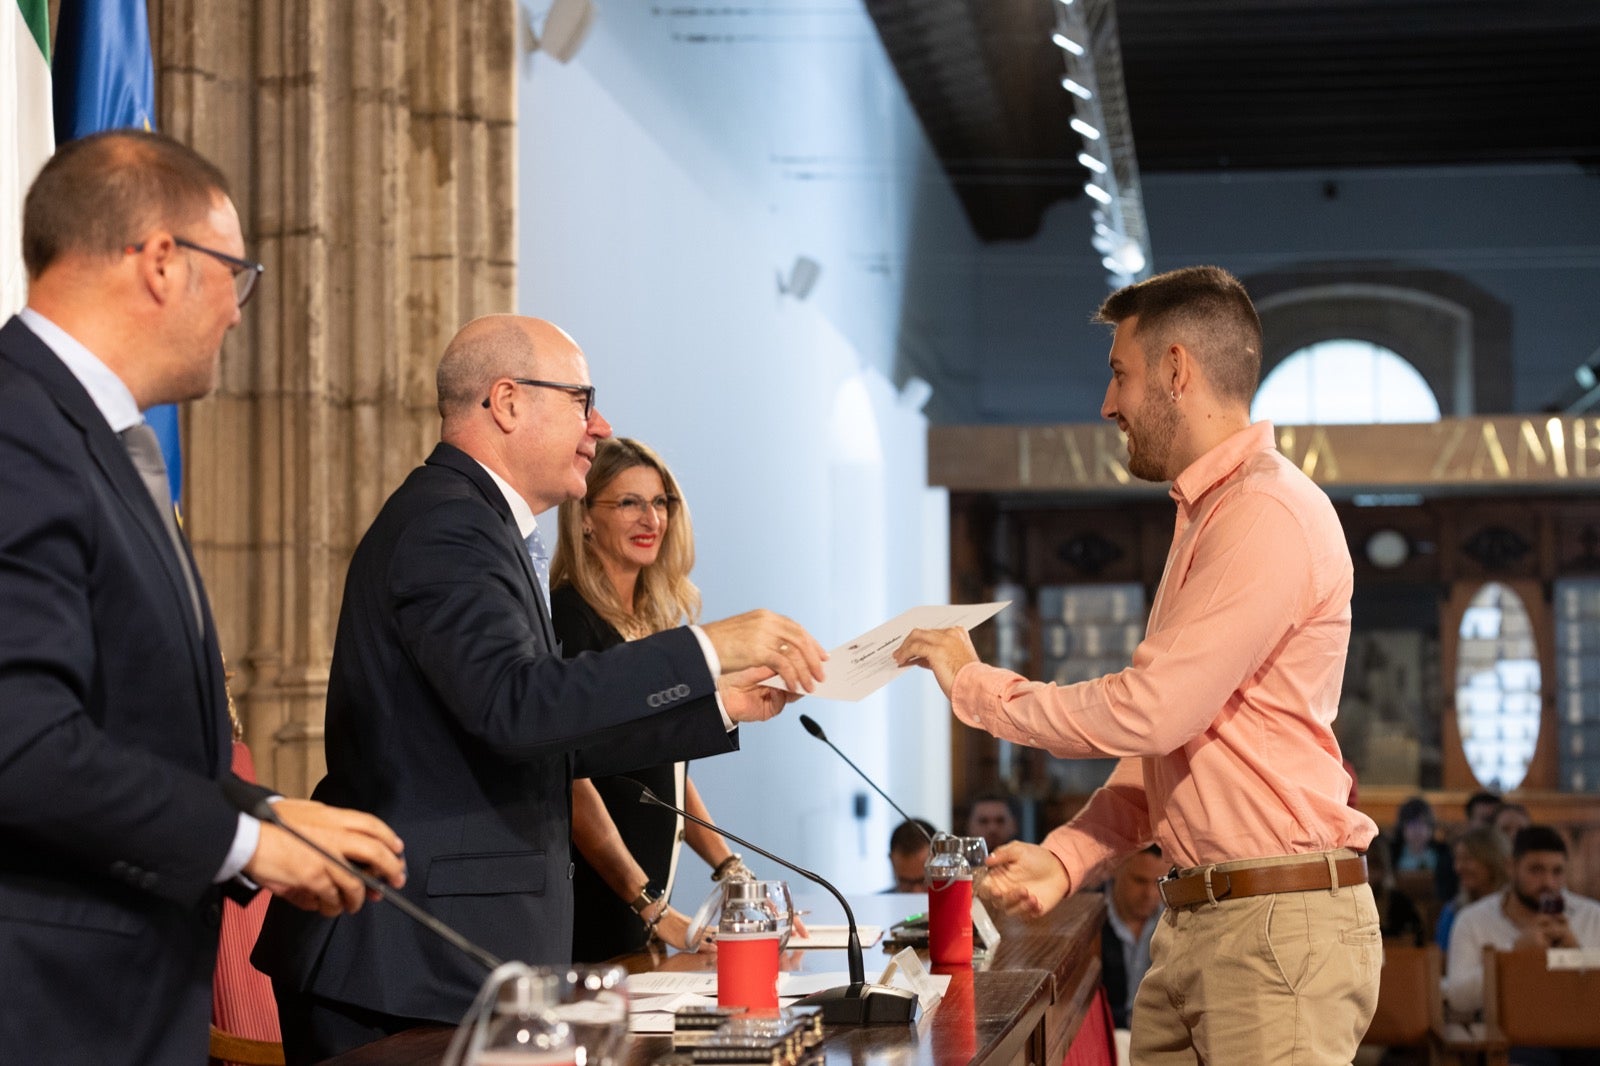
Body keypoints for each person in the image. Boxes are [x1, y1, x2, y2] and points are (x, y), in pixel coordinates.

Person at [253, 314, 826, 1063]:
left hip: (447, 959)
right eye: (582, 400)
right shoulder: (449, 526)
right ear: (508, 402)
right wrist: (704, 646)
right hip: (408, 964)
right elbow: (516, 707)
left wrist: (715, 699)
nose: (600, 426)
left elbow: (553, 732)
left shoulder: (481, 524)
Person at [894, 265, 1381, 1063]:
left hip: (1270, 929)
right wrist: (1068, 856)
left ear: (1177, 370)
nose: (1108, 402)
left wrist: (973, 684)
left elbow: (1151, 710)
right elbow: (1173, 745)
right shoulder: (1211, 514)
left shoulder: (1264, 511)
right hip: (1202, 916)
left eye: (1119, 373)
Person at [0, 129, 406, 1065]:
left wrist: (263, 812)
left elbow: (117, 728)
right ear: (160, 262)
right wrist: (239, 842)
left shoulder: (97, 440)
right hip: (47, 1009)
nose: (236, 312)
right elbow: (20, 739)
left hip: (125, 1002)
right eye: (236, 273)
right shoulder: (19, 428)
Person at [550, 436, 763, 959]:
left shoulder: (653, 623)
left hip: (643, 902)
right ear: (584, 518)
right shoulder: (571, 619)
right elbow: (571, 784)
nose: (651, 518)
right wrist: (650, 906)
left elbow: (667, 770)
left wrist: (730, 869)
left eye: (660, 502)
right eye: (629, 503)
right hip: (598, 901)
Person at [1446, 827, 1600, 1029]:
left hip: (1584, 1032)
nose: (1548, 882)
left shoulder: (1591, 915)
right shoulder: (1473, 920)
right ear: (1511, 867)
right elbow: (1458, 998)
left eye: (1557, 871)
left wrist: (1575, 955)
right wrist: (1513, 957)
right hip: (1513, 1034)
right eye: (1536, 870)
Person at [1099, 846, 1165, 1031]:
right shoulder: (1089, 919)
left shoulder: (1174, 921)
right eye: (1139, 881)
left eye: (1158, 882)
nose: (1150, 894)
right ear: (1116, 868)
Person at [1435, 824, 1509, 951]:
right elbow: (1443, 961)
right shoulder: (1453, 911)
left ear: (1492, 861)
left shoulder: (1516, 908)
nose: (1458, 868)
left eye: (1467, 859)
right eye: (1457, 859)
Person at [1392, 794, 1458, 902]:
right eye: (1412, 824)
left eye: (1422, 824)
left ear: (1431, 827)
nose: (1417, 830)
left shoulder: (1444, 852)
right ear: (1402, 827)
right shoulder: (1392, 852)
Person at [887, 817, 937, 893]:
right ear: (891, 861)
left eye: (924, 881)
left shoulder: (958, 903)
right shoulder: (877, 902)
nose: (916, 892)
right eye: (906, 882)